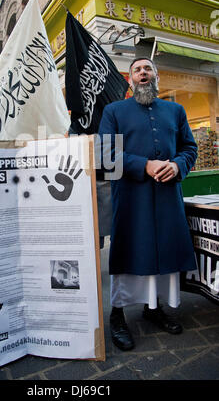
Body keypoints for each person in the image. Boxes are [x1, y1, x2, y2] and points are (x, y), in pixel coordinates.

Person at [98, 58, 197, 351]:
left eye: (148, 68)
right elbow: (106, 155)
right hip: (131, 199)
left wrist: (178, 166)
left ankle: (153, 309)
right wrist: (145, 165)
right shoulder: (113, 111)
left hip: (168, 198)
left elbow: (189, 148)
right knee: (129, 253)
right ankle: (117, 316)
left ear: (155, 76)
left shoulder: (175, 110)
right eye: (137, 70)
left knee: (165, 252)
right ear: (130, 80)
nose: (143, 72)